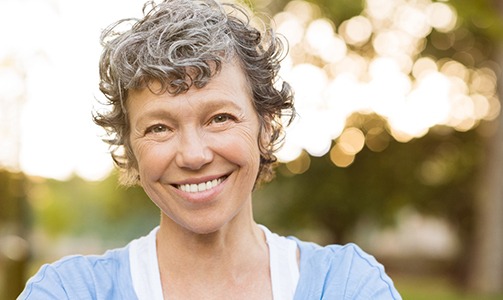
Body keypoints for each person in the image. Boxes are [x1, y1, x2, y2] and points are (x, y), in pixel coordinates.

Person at [18, 0, 401, 299]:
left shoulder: (347, 286)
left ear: (265, 126)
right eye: (159, 127)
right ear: (131, 150)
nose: (194, 155)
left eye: (219, 118)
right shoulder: (70, 292)